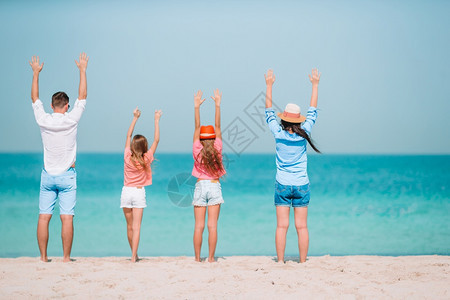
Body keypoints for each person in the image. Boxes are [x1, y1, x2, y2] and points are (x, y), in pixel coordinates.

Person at [30, 53, 89, 262]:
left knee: (44, 217)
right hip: (67, 175)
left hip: (47, 175)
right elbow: (83, 97)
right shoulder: (71, 120)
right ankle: (65, 258)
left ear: (52, 105)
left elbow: (35, 99)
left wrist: (35, 73)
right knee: (67, 217)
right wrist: (82, 70)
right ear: (66, 106)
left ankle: (44, 258)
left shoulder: (43, 120)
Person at [264, 68, 321, 263]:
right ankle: (303, 261)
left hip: (282, 184)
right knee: (302, 227)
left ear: (283, 118)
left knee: (281, 226)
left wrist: (269, 86)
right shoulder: (304, 133)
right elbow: (313, 111)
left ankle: (280, 261)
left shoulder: (278, 134)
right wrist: (315, 85)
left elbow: (268, 112)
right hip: (301, 184)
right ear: (298, 119)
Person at [121, 107, 162, 262]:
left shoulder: (127, 156)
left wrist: (135, 118)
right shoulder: (146, 158)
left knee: (129, 226)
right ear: (144, 147)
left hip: (126, 192)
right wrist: (156, 120)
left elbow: (128, 135)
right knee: (137, 227)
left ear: (132, 146)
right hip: (138, 193)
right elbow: (157, 140)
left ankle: (133, 253)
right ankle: (133, 257)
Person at [192, 89, 226, 262]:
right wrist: (217, 105)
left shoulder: (197, 148)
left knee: (199, 226)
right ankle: (211, 258)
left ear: (200, 138)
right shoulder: (218, 147)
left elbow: (197, 127)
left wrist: (196, 107)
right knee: (212, 226)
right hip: (214, 185)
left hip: (200, 185)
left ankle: (198, 258)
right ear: (213, 137)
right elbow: (218, 127)